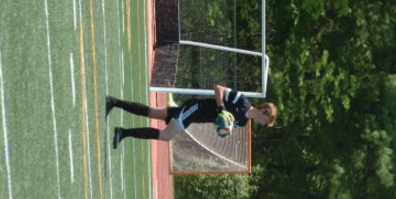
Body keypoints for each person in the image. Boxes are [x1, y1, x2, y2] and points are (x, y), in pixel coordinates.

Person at [108, 84, 277, 148]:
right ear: (263, 111)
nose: (262, 123)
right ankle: (123, 132)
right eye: (265, 120)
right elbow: (218, 88)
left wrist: (223, 129)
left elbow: (218, 124)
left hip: (197, 117)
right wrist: (222, 109)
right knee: (166, 135)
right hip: (195, 108)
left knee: (152, 112)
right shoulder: (242, 101)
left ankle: (114, 102)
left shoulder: (243, 122)